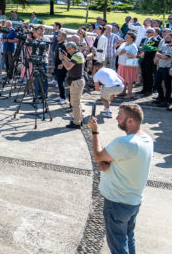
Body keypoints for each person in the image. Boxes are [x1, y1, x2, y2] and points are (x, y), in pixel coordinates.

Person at [89, 104, 153, 254]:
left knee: (118, 248)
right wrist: (108, 163)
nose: (116, 118)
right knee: (128, 240)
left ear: (130, 121)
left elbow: (98, 155)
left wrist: (95, 131)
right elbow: (126, 160)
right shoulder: (147, 140)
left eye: (120, 116)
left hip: (117, 203)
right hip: (133, 202)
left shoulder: (124, 143)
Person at [60, 42, 85, 129]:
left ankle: (77, 122)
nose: (68, 51)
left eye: (69, 49)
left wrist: (62, 59)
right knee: (76, 102)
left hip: (76, 82)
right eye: (67, 49)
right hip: (78, 81)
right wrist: (65, 58)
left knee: (75, 103)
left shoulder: (76, 56)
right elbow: (71, 63)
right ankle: (78, 119)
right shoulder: (78, 54)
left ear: (74, 48)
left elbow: (68, 67)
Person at [116, 32, 139, 98]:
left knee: (129, 80)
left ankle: (129, 94)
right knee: (123, 79)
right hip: (122, 63)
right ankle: (123, 92)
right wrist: (121, 52)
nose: (126, 38)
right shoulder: (123, 44)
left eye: (128, 37)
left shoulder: (133, 46)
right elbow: (117, 52)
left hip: (129, 65)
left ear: (132, 39)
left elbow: (134, 56)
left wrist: (127, 53)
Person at [138, 28, 160, 96]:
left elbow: (154, 51)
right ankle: (144, 89)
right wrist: (140, 52)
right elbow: (140, 47)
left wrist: (145, 53)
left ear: (153, 33)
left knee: (149, 75)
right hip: (142, 59)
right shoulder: (144, 39)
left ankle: (149, 90)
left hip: (149, 59)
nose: (147, 33)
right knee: (144, 74)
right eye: (147, 32)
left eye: (149, 32)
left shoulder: (156, 41)